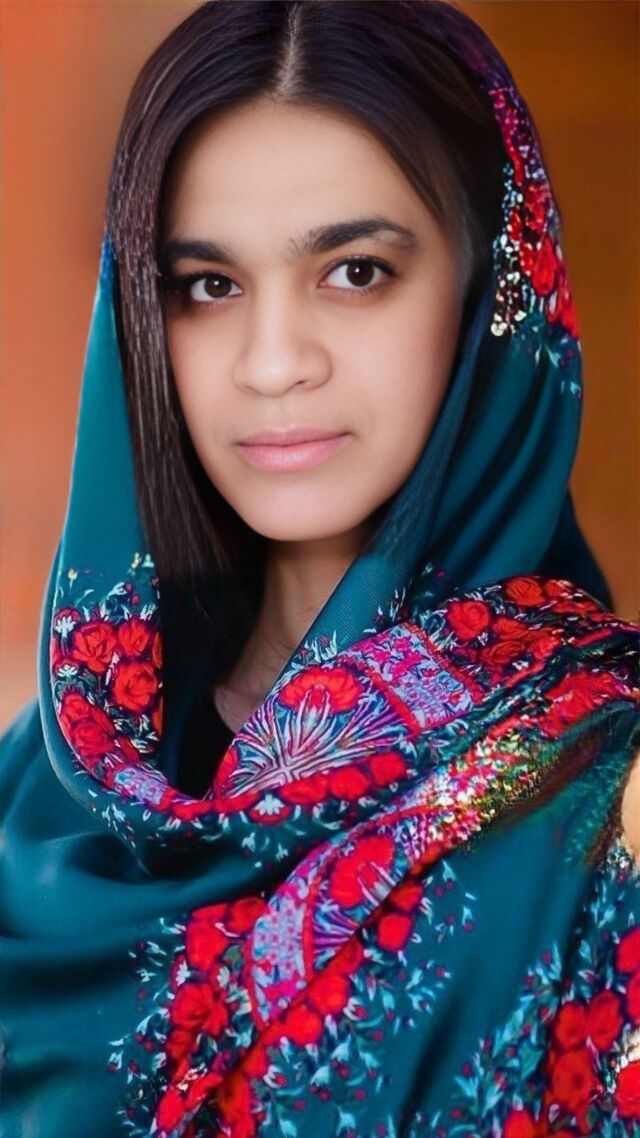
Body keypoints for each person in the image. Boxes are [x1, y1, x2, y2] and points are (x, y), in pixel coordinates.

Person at [0, 2, 638, 1135]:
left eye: (355, 271)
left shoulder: (607, 787)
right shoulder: (43, 792)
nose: (273, 363)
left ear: (489, 292)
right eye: (208, 285)